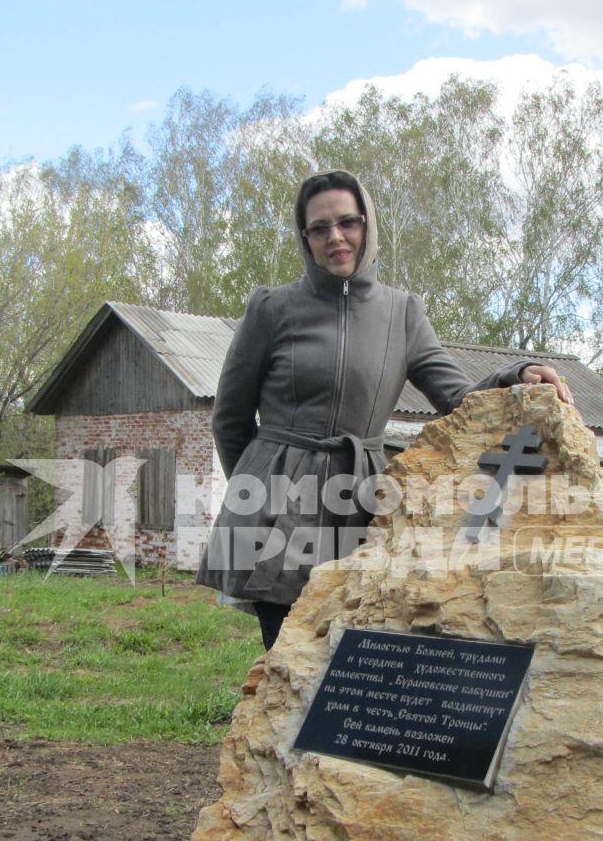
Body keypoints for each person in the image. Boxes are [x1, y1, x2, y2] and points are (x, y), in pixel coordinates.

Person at [196, 169, 573, 649]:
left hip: (362, 503)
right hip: (277, 506)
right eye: (319, 228)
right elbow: (229, 419)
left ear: (368, 224)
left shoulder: (403, 313)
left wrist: (517, 373)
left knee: (357, 653)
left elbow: (457, 398)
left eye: (347, 222)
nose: (336, 237)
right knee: (288, 656)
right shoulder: (272, 308)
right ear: (305, 238)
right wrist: (255, 491)